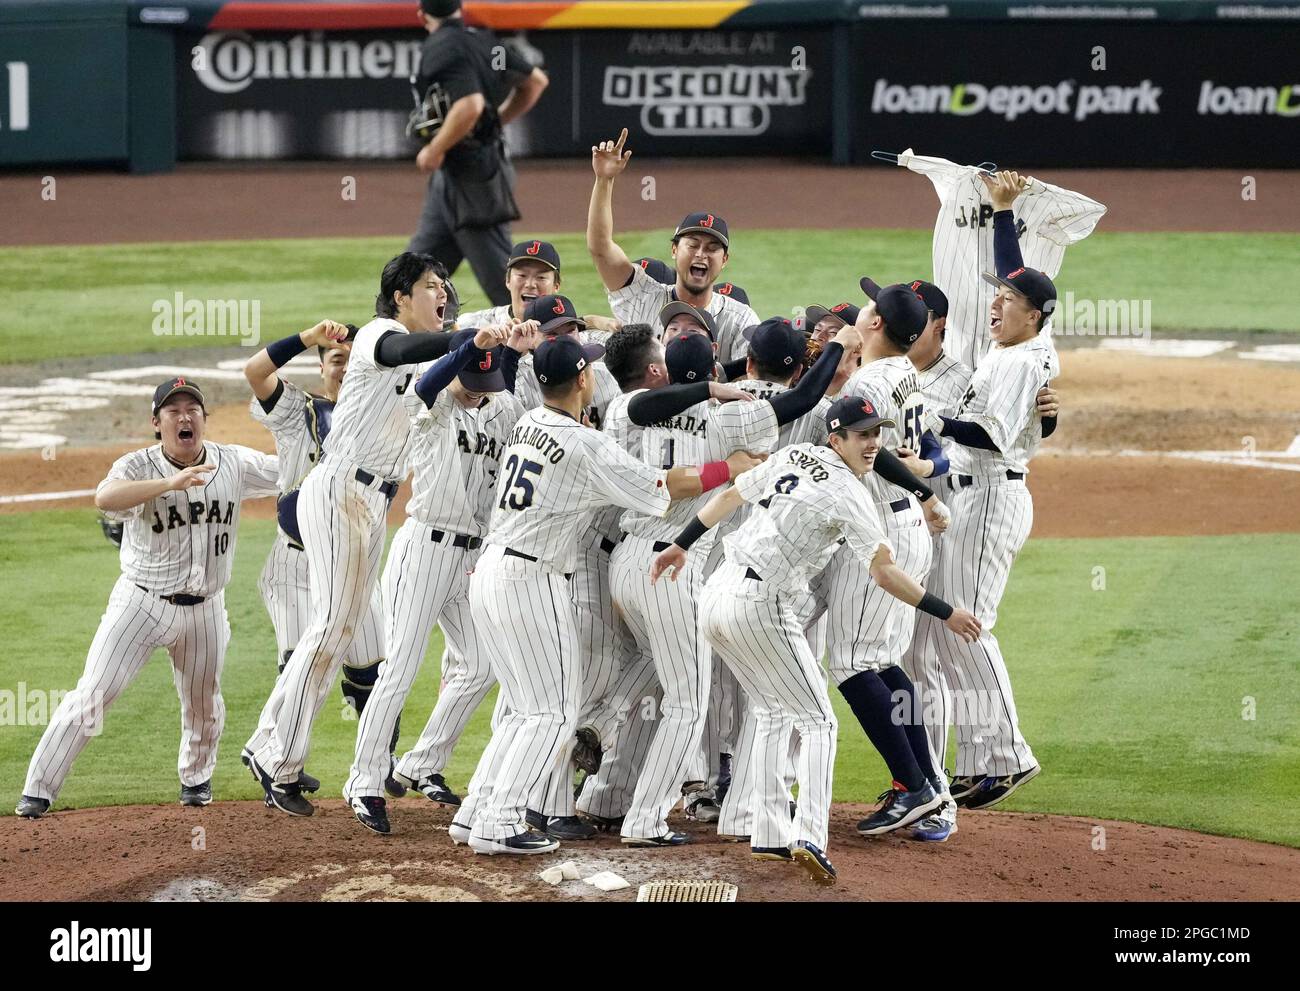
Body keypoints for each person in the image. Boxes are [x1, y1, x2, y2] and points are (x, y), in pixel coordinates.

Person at [449, 336, 762, 855]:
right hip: (531, 578)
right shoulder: (583, 445)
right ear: (582, 381)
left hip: (490, 571)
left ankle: (477, 809)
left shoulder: (530, 422)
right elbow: (664, 486)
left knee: (527, 709)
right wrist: (728, 469)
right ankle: (499, 821)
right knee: (550, 714)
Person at [649, 396, 980, 883]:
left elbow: (729, 495)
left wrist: (680, 543)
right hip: (760, 605)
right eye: (861, 435)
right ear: (836, 438)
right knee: (819, 721)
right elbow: (885, 573)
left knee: (771, 712)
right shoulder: (850, 494)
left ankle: (767, 832)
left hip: (717, 593)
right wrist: (946, 611)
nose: (872, 444)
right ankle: (809, 836)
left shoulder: (792, 455)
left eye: (876, 434)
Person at [609, 315, 858, 847]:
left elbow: (650, 406)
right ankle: (650, 818)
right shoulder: (727, 421)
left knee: (656, 670)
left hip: (629, 562)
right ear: (717, 366)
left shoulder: (624, 408)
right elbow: (799, 402)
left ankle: (612, 783)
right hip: (689, 568)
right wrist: (837, 347)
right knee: (694, 700)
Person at [248, 252, 454, 817]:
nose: (441, 294)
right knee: (333, 626)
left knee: (337, 630)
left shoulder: (419, 364)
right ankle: (275, 755)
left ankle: (272, 750)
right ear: (400, 297)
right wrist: (464, 338)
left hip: (370, 504)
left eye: (443, 287)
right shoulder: (379, 336)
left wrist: (486, 339)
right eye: (431, 286)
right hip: (339, 489)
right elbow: (410, 350)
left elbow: (433, 375)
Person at [16, 379, 280, 818]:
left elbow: (287, 471)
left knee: (204, 704)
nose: (184, 416)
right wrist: (169, 484)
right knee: (96, 694)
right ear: (157, 423)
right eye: (173, 411)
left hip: (206, 609)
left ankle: (196, 781)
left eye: (192, 408)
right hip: (141, 603)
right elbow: (105, 497)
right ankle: (38, 790)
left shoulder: (232, 462)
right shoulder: (138, 465)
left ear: (203, 419)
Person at [343, 323, 530, 834]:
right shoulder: (429, 406)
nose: (477, 395)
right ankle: (364, 781)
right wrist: (469, 347)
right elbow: (429, 386)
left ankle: (421, 762)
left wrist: (509, 351)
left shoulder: (500, 407)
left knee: (481, 664)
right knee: (400, 667)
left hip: (471, 559)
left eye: (484, 386)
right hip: (423, 549)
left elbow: (507, 386)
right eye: (470, 382)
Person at [921, 171, 1060, 810]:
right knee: (955, 624)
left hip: (991, 495)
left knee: (967, 626)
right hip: (975, 494)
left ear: (1034, 315)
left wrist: (926, 417)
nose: (994, 306)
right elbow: (1017, 273)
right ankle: (984, 759)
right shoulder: (1023, 339)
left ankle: (1009, 754)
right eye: (995, 299)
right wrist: (1003, 212)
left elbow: (984, 432)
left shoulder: (1023, 359)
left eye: (1007, 303)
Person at [240, 320, 396, 799]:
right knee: (300, 660)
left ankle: (378, 762)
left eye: (354, 360)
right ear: (322, 368)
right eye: (337, 360)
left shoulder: (382, 413)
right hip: (297, 565)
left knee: (373, 666)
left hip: (351, 558)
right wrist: (308, 337)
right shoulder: (298, 410)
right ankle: (272, 751)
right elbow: (255, 371)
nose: (347, 369)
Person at [406, 0, 548, 306]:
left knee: (506, 285)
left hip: (476, 179)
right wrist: (496, 121)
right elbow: (536, 82)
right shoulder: (484, 42)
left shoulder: (440, 46)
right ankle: (409, 341)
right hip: (459, 175)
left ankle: (547, 341)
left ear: (421, 15)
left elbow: (469, 105)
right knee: (413, 275)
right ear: (460, 9)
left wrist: (435, 147)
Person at [587, 129, 760, 363]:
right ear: (674, 250)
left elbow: (753, 379)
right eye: (693, 245)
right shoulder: (643, 297)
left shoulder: (739, 318)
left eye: (712, 248)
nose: (701, 254)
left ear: (725, 260)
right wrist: (604, 180)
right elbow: (600, 247)